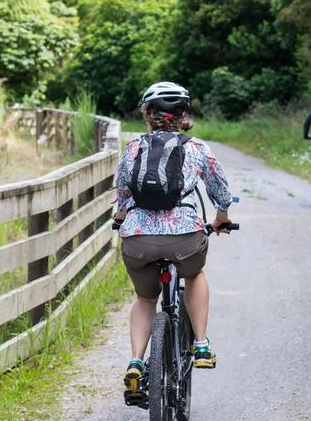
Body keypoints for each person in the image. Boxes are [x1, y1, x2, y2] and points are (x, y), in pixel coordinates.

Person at [113, 81, 234, 406]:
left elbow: (122, 194)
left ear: (147, 114)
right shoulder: (197, 147)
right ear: (183, 116)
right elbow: (220, 190)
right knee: (194, 274)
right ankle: (202, 344)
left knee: (144, 298)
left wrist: (122, 219)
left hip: (138, 240)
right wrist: (221, 218)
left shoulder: (133, 148)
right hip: (185, 238)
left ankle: (136, 362)